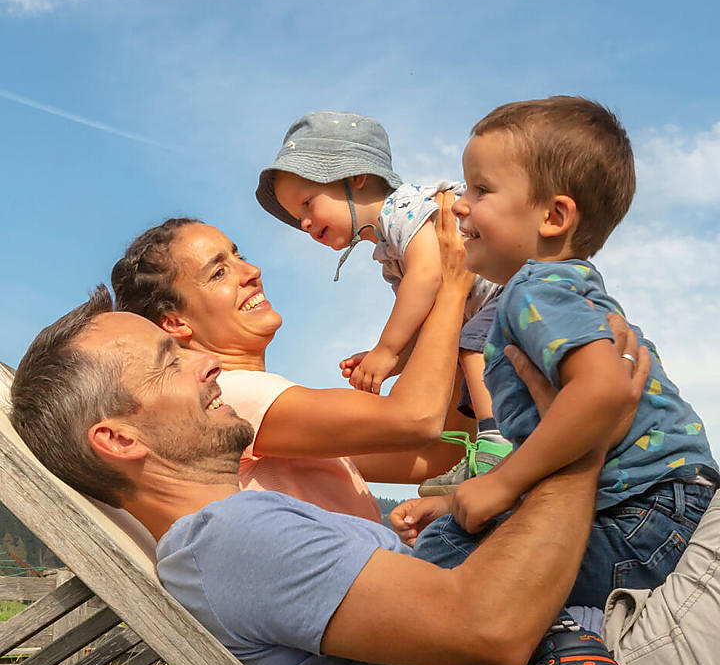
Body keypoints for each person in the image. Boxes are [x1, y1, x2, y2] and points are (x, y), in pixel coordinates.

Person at [9, 227, 647, 665]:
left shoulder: (236, 528)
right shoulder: (229, 537)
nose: (208, 365)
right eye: (170, 362)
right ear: (119, 440)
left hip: (589, 652)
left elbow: (431, 449)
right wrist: (581, 435)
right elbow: (419, 430)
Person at [393, 96, 718, 608]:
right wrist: (459, 499)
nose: (458, 203)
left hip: (641, 515)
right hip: (662, 507)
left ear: (552, 215)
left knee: (447, 558)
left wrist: (501, 489)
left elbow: (604, 390)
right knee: (463, 536)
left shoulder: (535, 288)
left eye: (481, 189)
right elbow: (558, 436)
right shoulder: (563, 288)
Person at [110, 200, 488, 522]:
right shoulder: (223, 397)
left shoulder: (269, 421)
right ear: (175, 322)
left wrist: (455, 325)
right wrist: (454, 288)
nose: (251, 272)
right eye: (219, 272)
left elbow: (437, 454)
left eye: (239, 256)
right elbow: (415, 419)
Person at [255, 110, 510, 482]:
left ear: (355, 177)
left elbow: (427, 274)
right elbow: (426, 321)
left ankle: (496, 442)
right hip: (487, 307)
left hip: (509, 290)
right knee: (464, 346)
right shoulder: (390, 255)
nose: (304, 222)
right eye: (298, 216)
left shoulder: (404, 210)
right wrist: (395, 361)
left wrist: (386, 349)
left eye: (308, 203)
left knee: (471, 345)